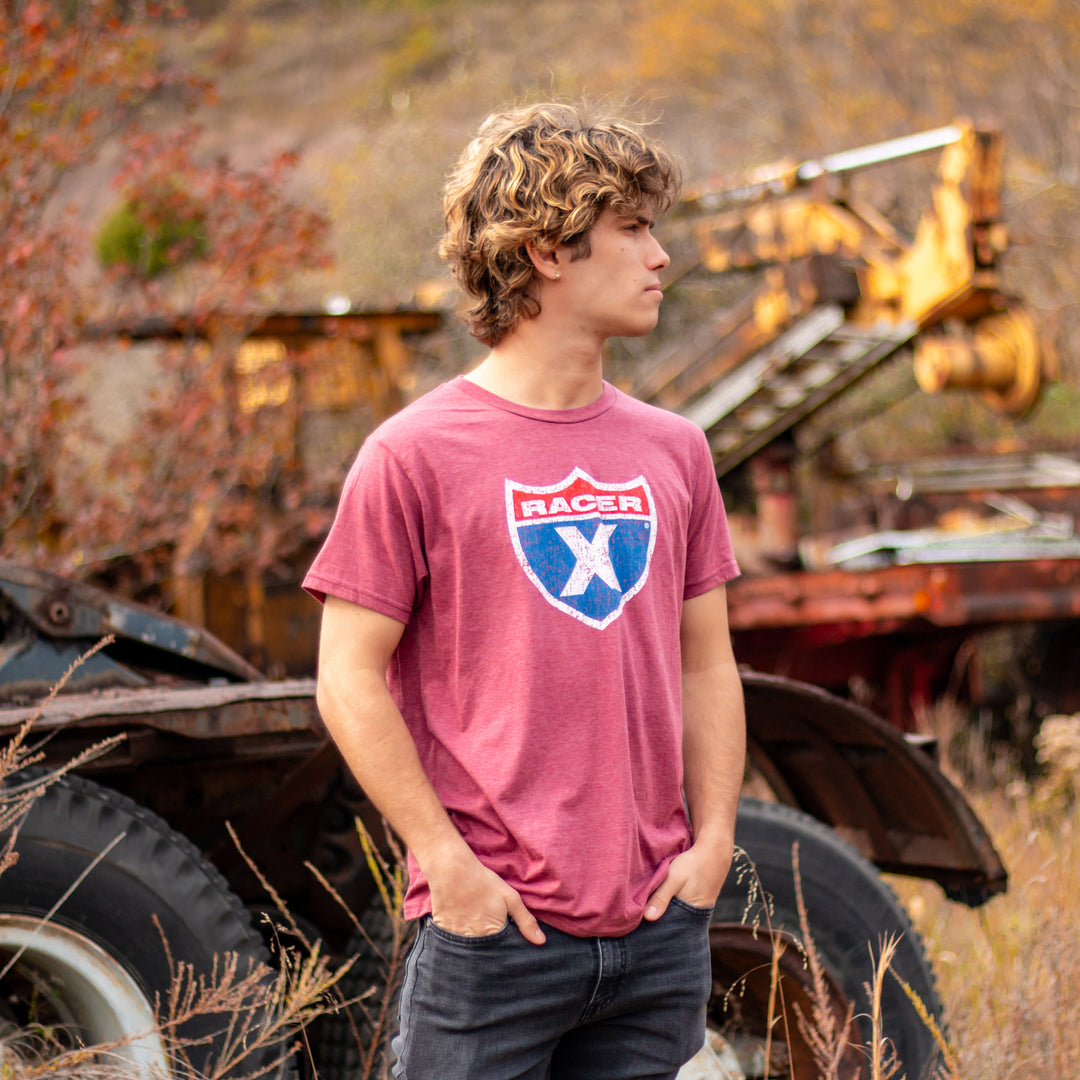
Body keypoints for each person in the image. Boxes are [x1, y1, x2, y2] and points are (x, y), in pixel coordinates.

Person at [304, 102, 746, 1080]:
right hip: (495, 931)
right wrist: (445, 865)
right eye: (632, 228)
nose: (660, 255)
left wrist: (713, 844)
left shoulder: (676, 450)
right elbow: (346, 679)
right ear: (548, 250)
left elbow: (708, 663)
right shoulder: (412, 455)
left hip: (658, 927)